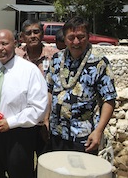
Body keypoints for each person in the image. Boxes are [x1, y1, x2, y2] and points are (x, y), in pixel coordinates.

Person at [0, 29, 48, 178]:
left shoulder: (29, 71)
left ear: (15, 44)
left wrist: (11, 122)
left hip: (18, 135)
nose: (0, 48)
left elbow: (38, 106)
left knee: (19, 173)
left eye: (4, 44)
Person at [45, 16, 117, 155]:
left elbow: (109, 99)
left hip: (84, 136)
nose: (76, 42)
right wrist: (46, 118)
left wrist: (98, 131)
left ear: (88, 37)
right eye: (71, 37)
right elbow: (49, 90)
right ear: (65, 38)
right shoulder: (56, 59)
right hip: (56, 133)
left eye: (81, 37)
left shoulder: (99, 63)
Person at [15, 19, 59, 162]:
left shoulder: (55, 56)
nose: (33, 36)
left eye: (36, 32)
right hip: (22, 118)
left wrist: (46, 118)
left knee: (45, 159)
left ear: (43, 34)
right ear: (22, 37)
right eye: (28, 33)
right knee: (23, 159)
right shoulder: (16, 56)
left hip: (46, 119)